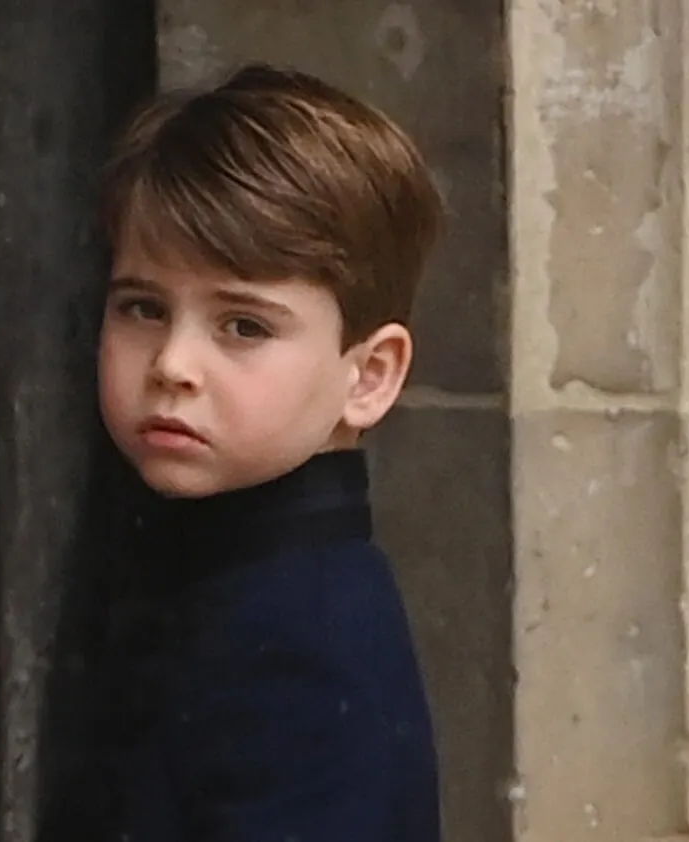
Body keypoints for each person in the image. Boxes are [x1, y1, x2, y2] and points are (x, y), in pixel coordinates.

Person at [97, 63, 443, 842]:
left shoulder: (301, 639)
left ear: (370, 376)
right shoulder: (222, 578)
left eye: (243, 326)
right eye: (143, 308)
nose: (172, 364)